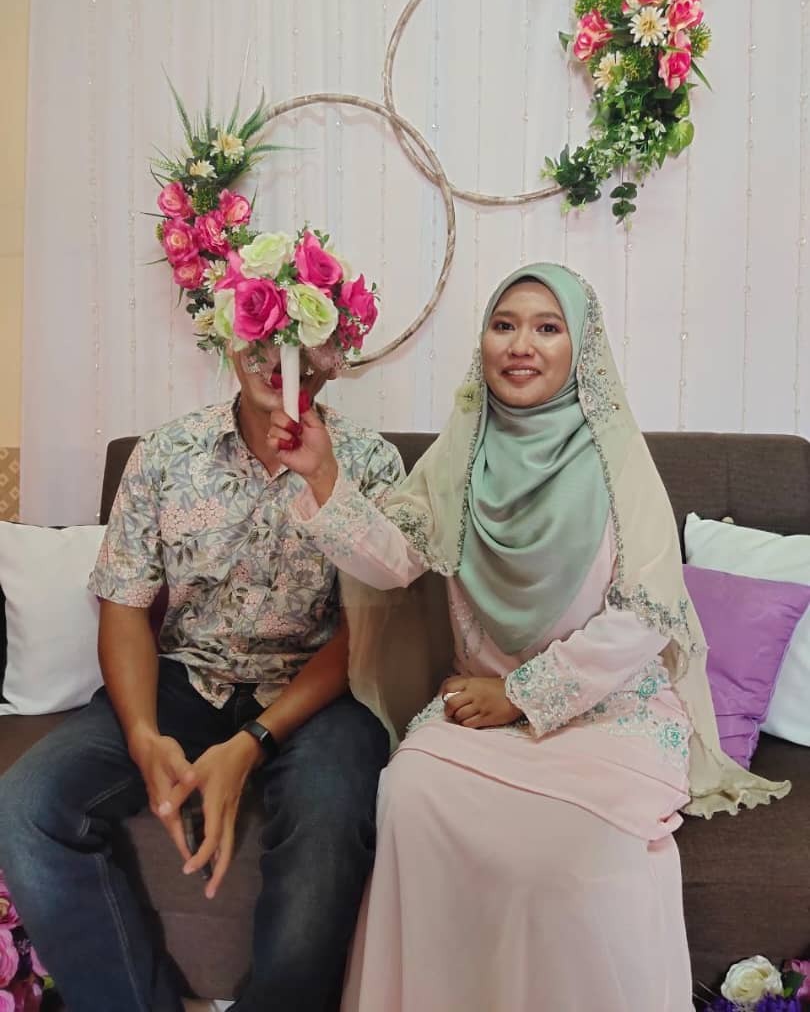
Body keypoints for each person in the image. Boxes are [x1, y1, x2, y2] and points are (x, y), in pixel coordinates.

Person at [268, 263, 790, 1012]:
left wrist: (522, 694)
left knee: (572, 851)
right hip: (480, 709)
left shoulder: (616, 459)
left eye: (548, 328)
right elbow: (394, 563)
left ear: (581, 348)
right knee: (411, 795)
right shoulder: (460, 454)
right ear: (482, 343)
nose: (521, 345)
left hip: (607, 709)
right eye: (504, 324)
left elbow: (645, 614)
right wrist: (323, 479)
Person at [0, 346, 401, 1012]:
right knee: (25, 806)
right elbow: (124, 608)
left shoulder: (371, 463)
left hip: (314, 695)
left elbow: (366, 632)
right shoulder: (165, 454)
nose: (282, 359)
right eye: (262, 335)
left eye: (304, 339)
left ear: (332, 357)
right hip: (184, 679)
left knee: (330, 820)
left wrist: (251, 744)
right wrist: (141, 735)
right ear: (230, 338)